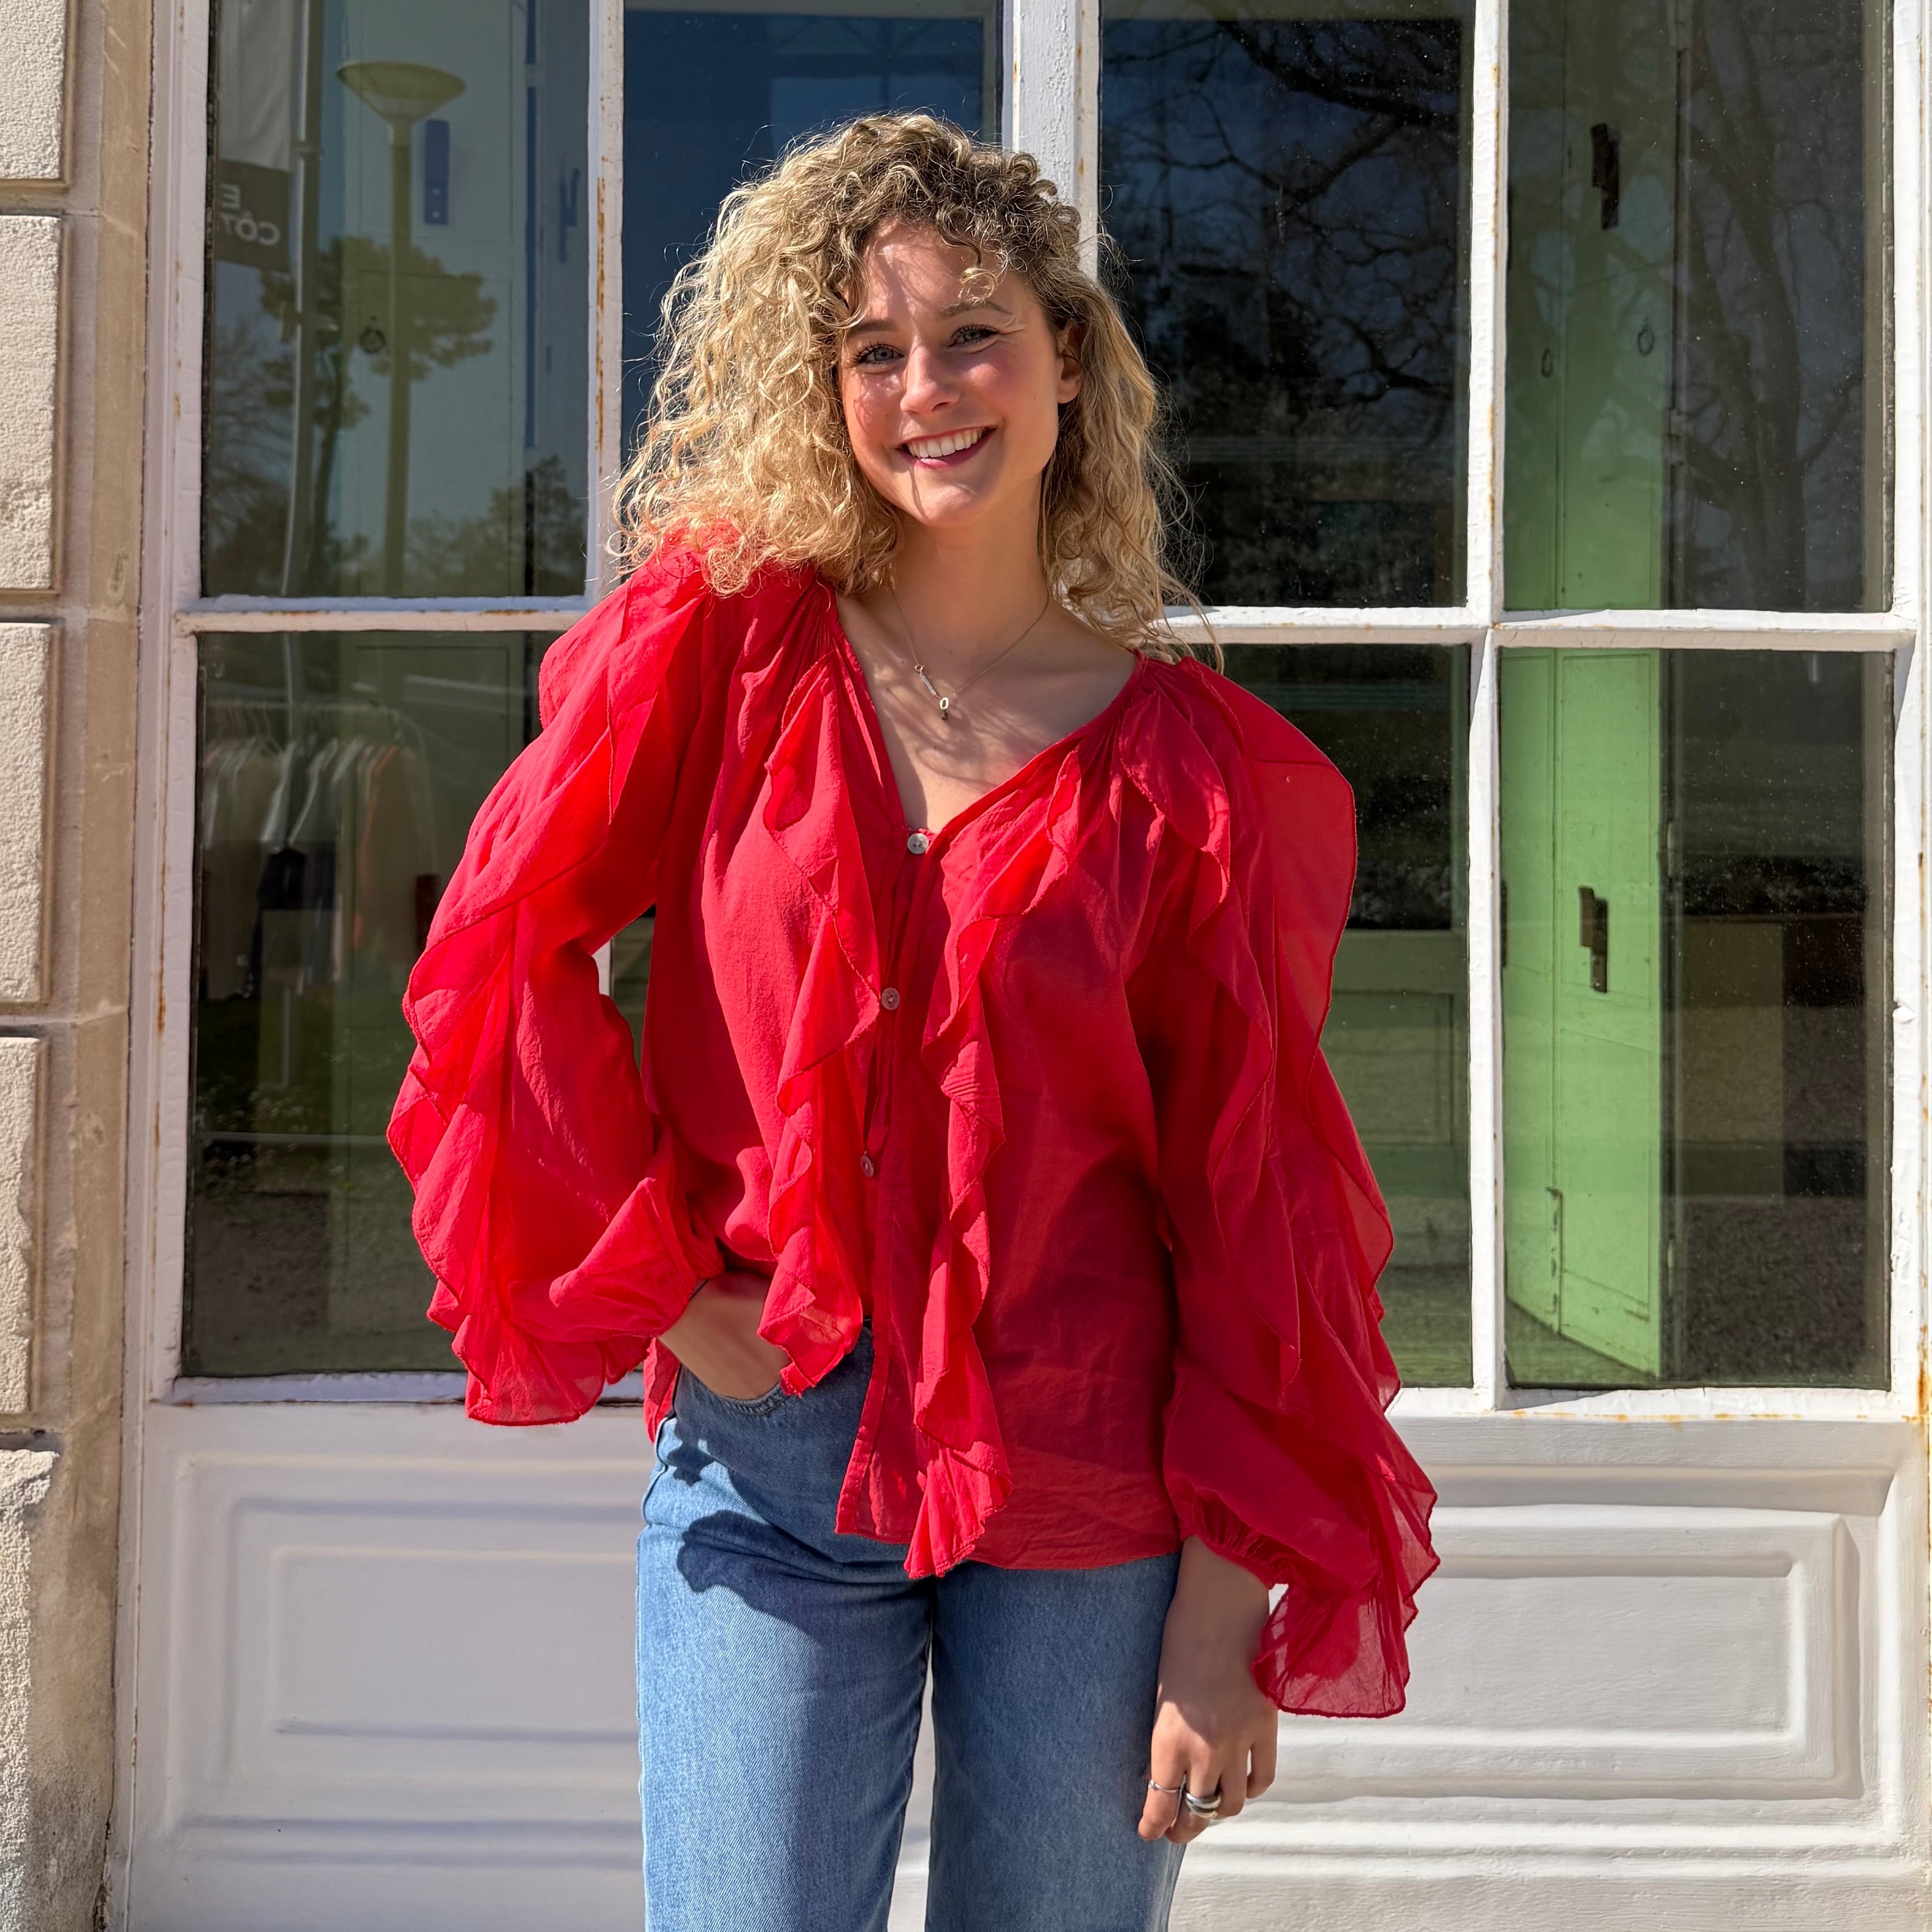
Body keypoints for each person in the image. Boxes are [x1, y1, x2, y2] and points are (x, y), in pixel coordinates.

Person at [390, 113, 1436, 1932]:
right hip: (772, 1463)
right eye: (871, 352)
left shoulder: (1189, 782)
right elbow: (500, 949)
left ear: (1064, 370)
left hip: (1092, 1484)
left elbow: (1253, 1200)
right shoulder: (721, 655)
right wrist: (657, 1278)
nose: (925, 388)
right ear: (824, 393)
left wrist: (1217, 1608)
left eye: (971, 336)